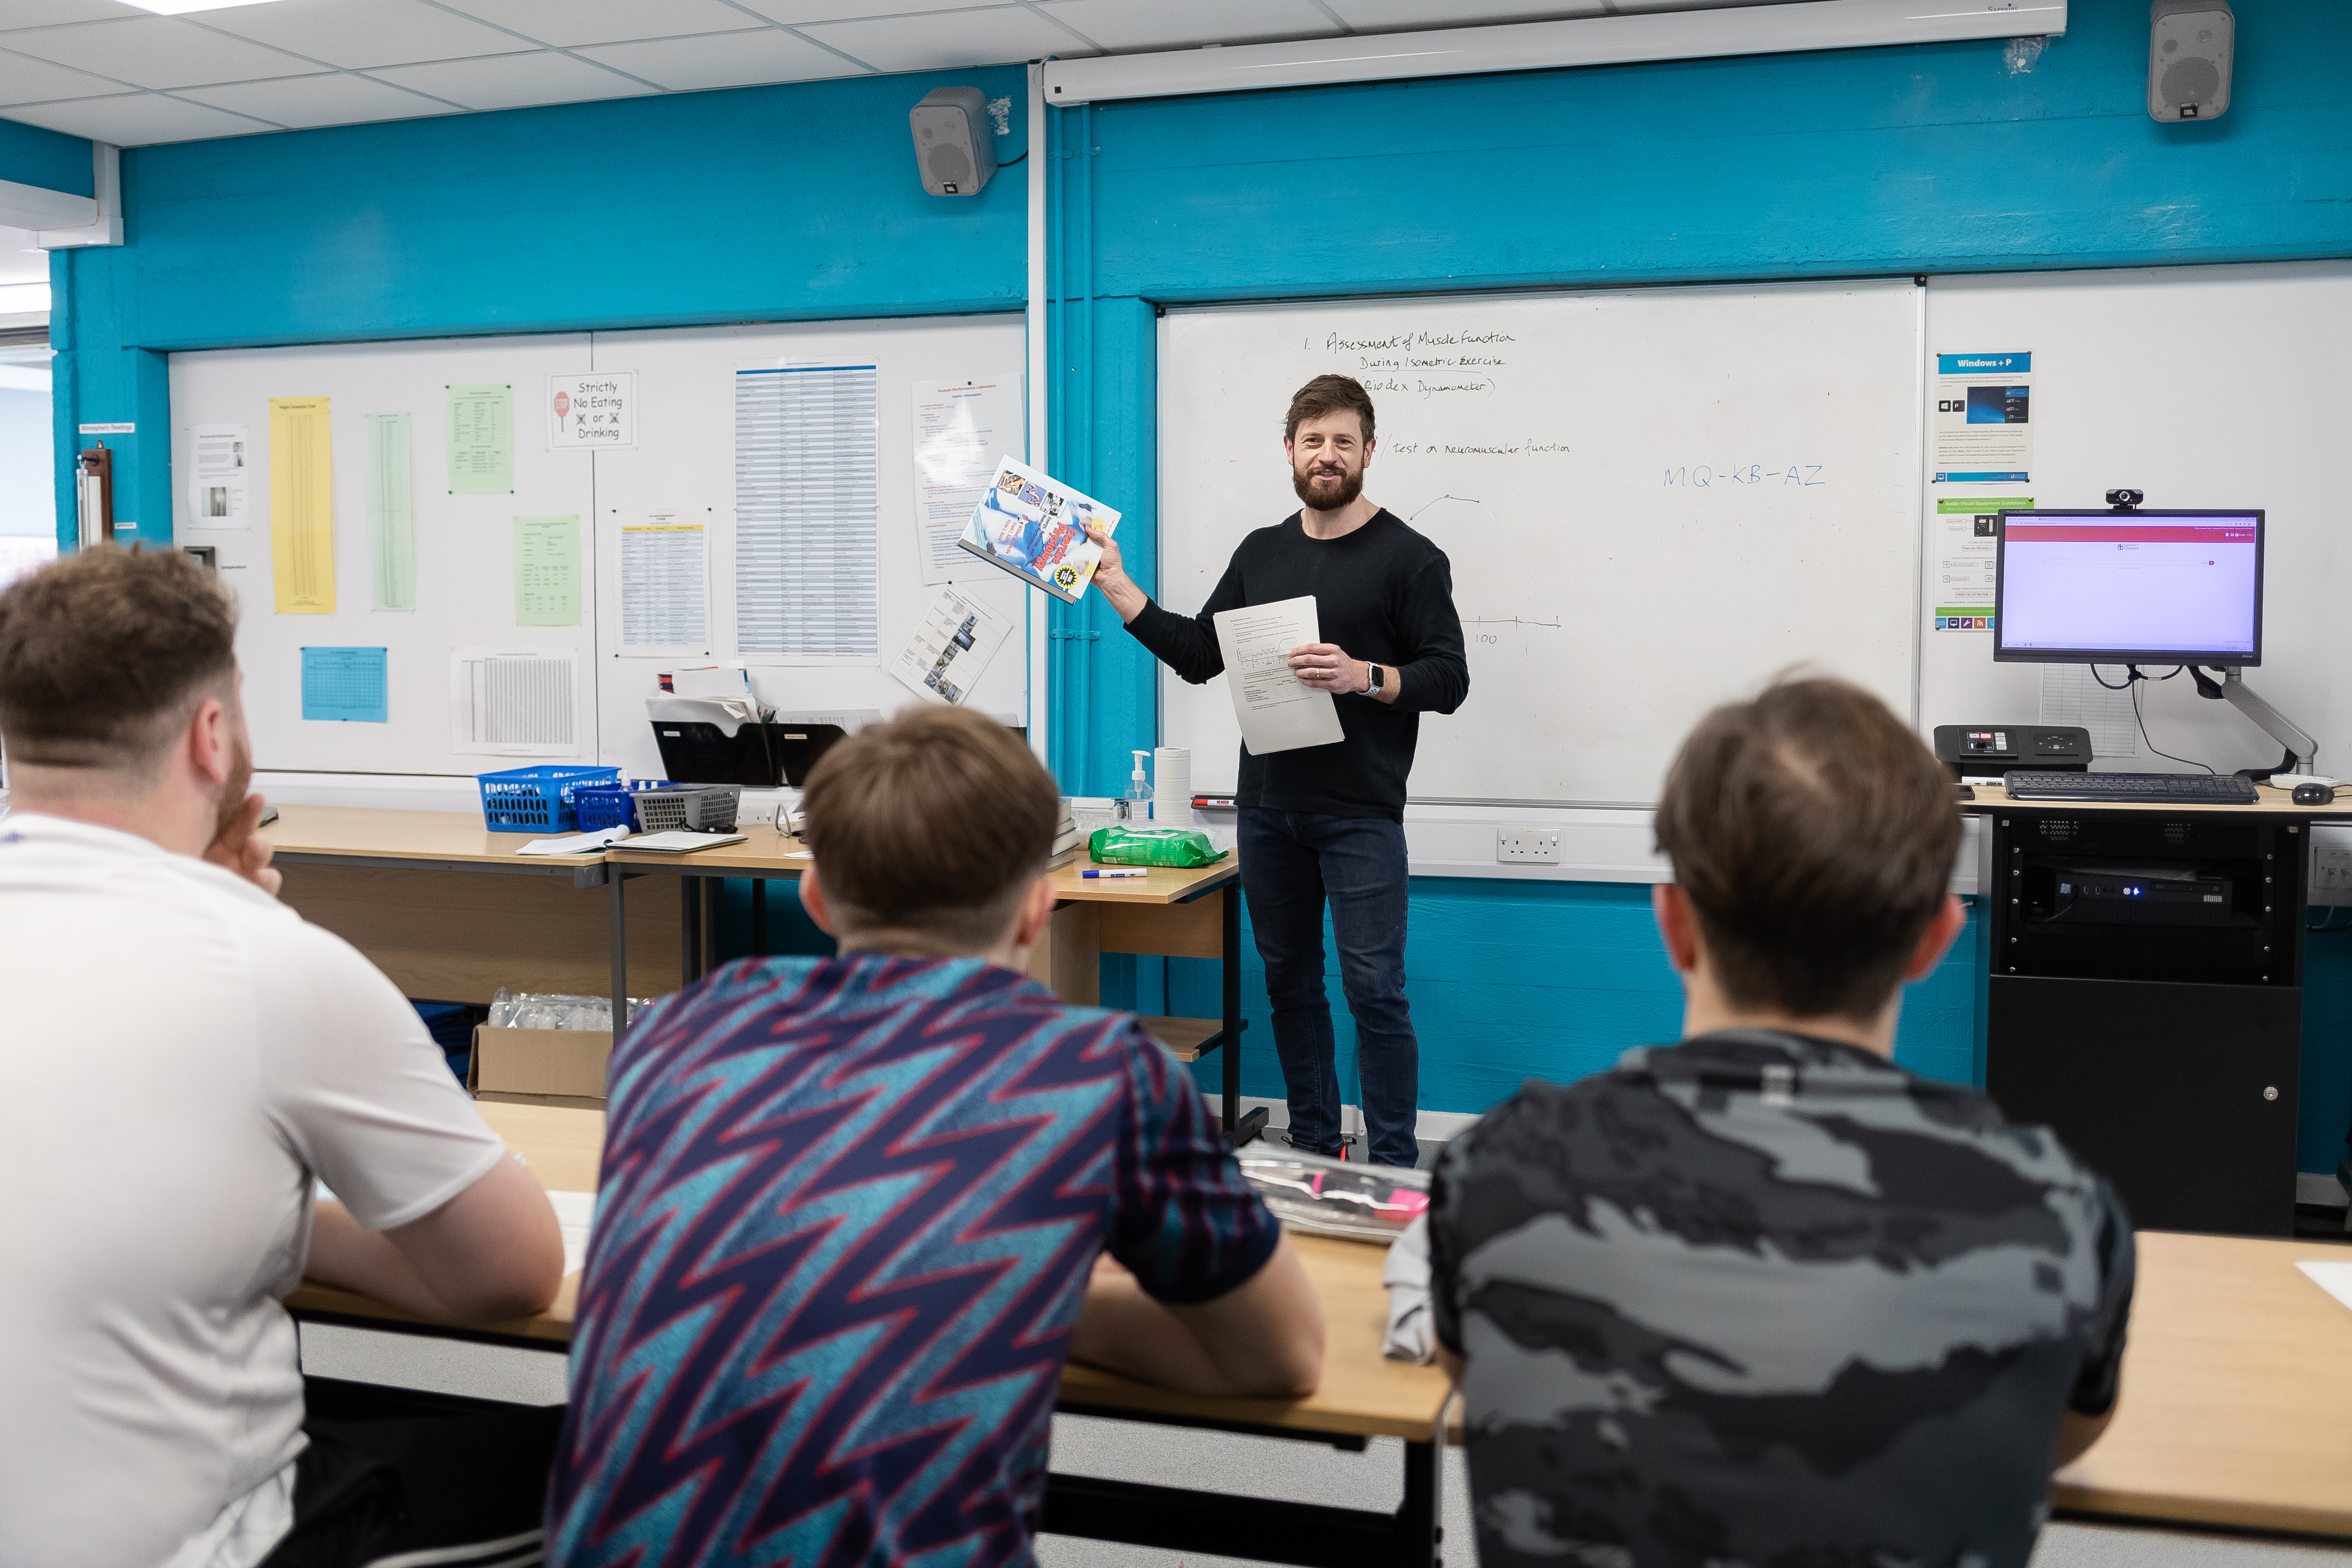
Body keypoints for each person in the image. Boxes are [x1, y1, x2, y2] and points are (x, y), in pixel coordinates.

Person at [545, 703, 1323, 1568]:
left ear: (815, 895)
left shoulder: (677, 1034)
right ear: (1039, 907)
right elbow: (1283, 1355)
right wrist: (1051, 1287)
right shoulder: (1097, 1073)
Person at [1427, 677, 2135, 1568]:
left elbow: (1475, 1378)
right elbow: (2059, 1434)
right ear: (1937, 936)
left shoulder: (1491, 1178)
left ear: (1674, 923)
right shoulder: (2062, 1213)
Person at [0, 547, 566, 1568]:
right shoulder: (270, 966)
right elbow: (511, 1277)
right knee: (587, 1457)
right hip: (195, 1547)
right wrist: (300, 1230)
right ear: (212, 737)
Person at [1088, 374, 1468, 1167]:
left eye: (1342, 441)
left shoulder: (1411, 557)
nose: (1326, 455)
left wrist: (1364, 674)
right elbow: (1199, 657)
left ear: (1369, 450)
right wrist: (1119, 588)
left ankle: (1394, 1165)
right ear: (1289, 450)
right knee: (1290, 986)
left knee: (1376, 993)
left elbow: (1449, 679)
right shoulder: (1260, 553)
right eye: (1311, 440)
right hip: (1269, 808)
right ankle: (1317, 1152)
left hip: (1361, 811)